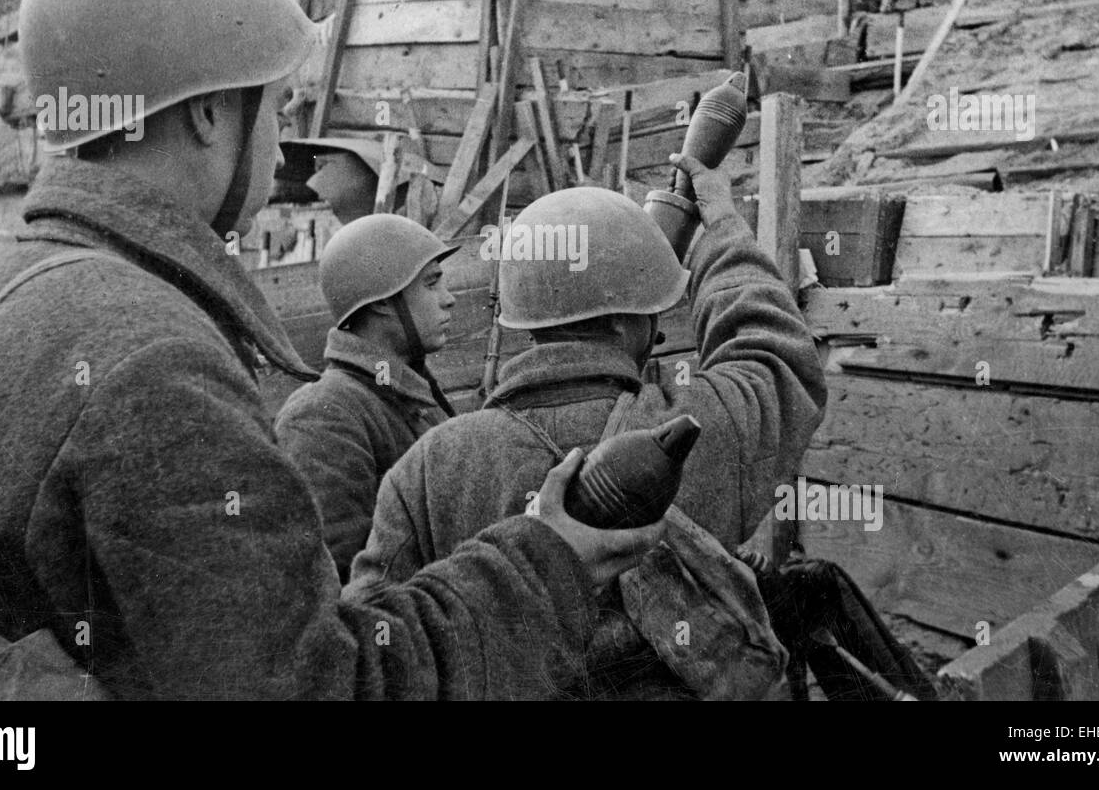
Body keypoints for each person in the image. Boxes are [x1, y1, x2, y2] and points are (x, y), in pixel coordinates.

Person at [0, 0, 661, 701]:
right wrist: (545, 562)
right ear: (209, 113)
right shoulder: (154, 360)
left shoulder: (20, 295)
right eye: (278, 105)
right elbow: (319, 687)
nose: (281, 140)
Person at [347, 171, 829, 696]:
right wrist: (722, 223)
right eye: (654, 317)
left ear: (521, 320)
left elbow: (372, 646)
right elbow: (773, 349)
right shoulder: (704, 422)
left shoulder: (426, 466)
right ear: (627, 327)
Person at [275, 214, 458, 582]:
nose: (449, 299)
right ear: (383, 302)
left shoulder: (411, 394)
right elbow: (339, 577)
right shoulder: (323, 417)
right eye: (431, 284)